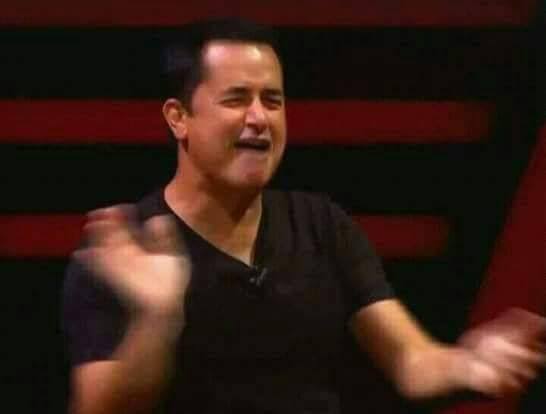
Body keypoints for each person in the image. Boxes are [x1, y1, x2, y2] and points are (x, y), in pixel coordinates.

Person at [62, 18, 546, 414]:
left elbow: (412, 362)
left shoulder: (321, 225)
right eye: (236, 99)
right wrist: (156, 318)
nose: (259, 118)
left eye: (272, 101)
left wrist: (466, 364)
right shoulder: (128, 248)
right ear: (178, 117)